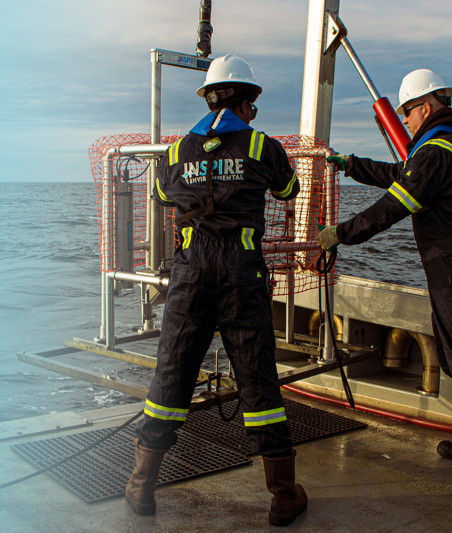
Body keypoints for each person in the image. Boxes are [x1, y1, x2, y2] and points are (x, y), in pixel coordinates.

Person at [317, 69, 452, 502]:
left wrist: (341, 233)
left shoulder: (436, 149)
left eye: (407, 112)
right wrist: (351, 166)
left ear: (424, 107)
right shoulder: (443, 145)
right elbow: (402, 172)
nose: (404, 120)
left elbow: (397, 202)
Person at [125, 54, 307, 526]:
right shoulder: (262, 146)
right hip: (240, 274)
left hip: (189, 275)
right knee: (258, 382)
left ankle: (141, 485)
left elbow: (166, 195)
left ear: (208, 97)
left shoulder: (175, 151)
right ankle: (284, 495)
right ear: (246, 101)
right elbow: (289, 190)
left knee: (171, 377)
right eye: (253, 106)